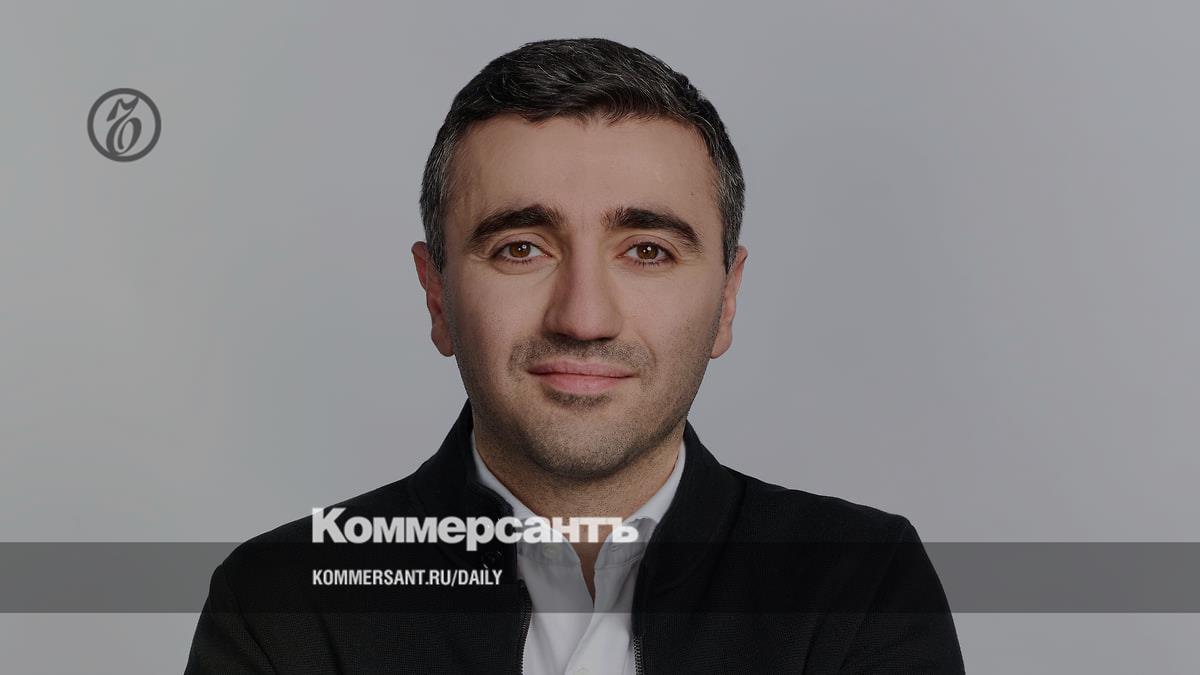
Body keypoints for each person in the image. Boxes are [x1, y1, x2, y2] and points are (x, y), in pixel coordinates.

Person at [185, 37, 964, 674]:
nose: (584, 317)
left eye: (648, 250)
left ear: (726, 300)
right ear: (437, 296)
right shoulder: (280, 603)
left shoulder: (861, 583)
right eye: (521, 248)